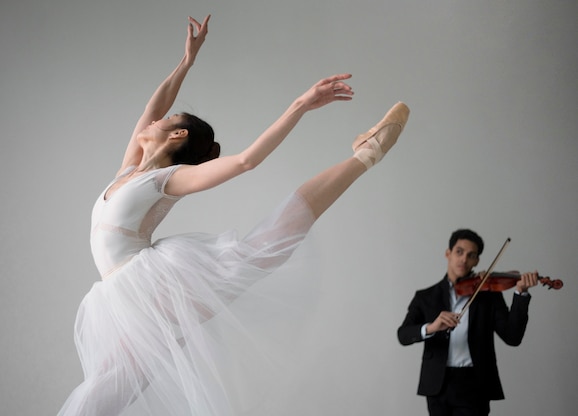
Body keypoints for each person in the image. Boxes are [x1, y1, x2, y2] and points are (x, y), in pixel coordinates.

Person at [58, 14, 410, 416]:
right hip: (123, 295)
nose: (155, 119)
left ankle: (366, 155)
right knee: (109, 388)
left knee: (262, 249)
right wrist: (186, 61)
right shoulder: (128, 171)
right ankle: (366, 155)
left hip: (151, 289)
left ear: (177, 136)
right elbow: (154, 106)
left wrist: (301, 104)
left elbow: (245, 161)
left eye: (168, 121)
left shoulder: (168, 179)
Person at [397, 229, 539, 416]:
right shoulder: (425, 297)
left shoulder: (488, 295)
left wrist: (521, 294)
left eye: (471, 255)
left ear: (477, 261)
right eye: (459, 252)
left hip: (474, 384)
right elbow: (403, 335)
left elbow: (513, 337)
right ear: (448, 253)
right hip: (437, 385)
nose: (464, 259)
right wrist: (432, 327)